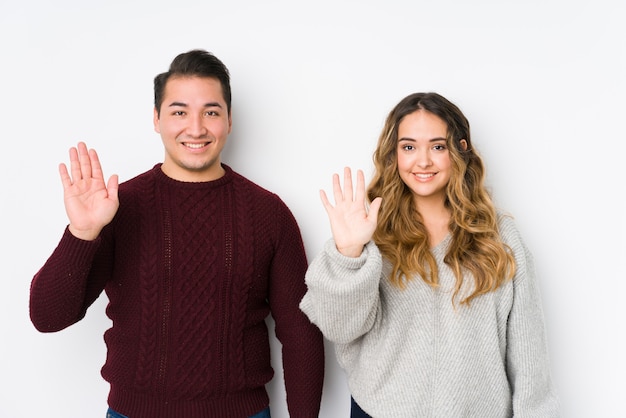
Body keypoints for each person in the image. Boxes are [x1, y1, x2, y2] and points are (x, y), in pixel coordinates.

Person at [29, 49, 325, 418]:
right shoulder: (118, 208)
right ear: (156, 119)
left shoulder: (268, 213)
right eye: (179, 111)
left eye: (211, 112)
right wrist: (82, 233)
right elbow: (47, 317)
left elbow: (300, 332)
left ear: (229, 120)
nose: (196, 128)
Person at [299, 92, 560, 417]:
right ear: (393, 154)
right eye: (409, 147)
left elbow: (529, 355)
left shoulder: (500, 236)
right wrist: (349, 252)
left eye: (438, 146)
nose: (423, 161)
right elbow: (339, 328)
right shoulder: (367, 230)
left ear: (461, 149)